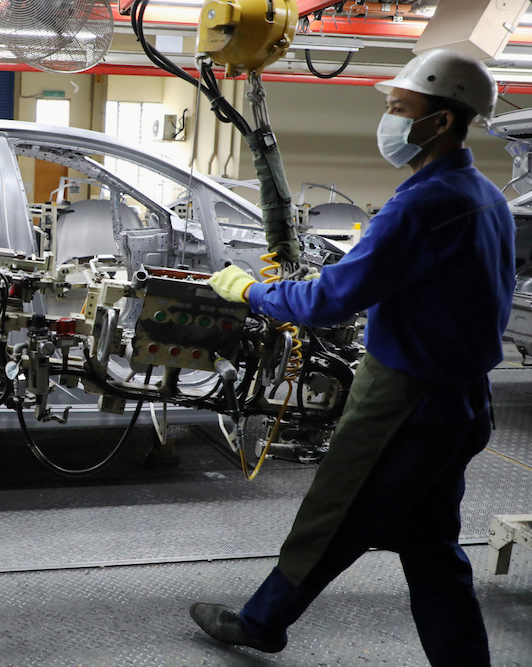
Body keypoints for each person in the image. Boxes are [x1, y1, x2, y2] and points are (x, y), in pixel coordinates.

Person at [194, 48, 515, 666]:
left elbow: (331, 302)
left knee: (332, 516)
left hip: (404, 404)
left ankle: (262, 622)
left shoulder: (421, 205)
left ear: (441, 121)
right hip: (465, 401)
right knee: (430, 543)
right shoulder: (484, 195)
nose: (389, 121)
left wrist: (250, 290)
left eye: (399, 109)